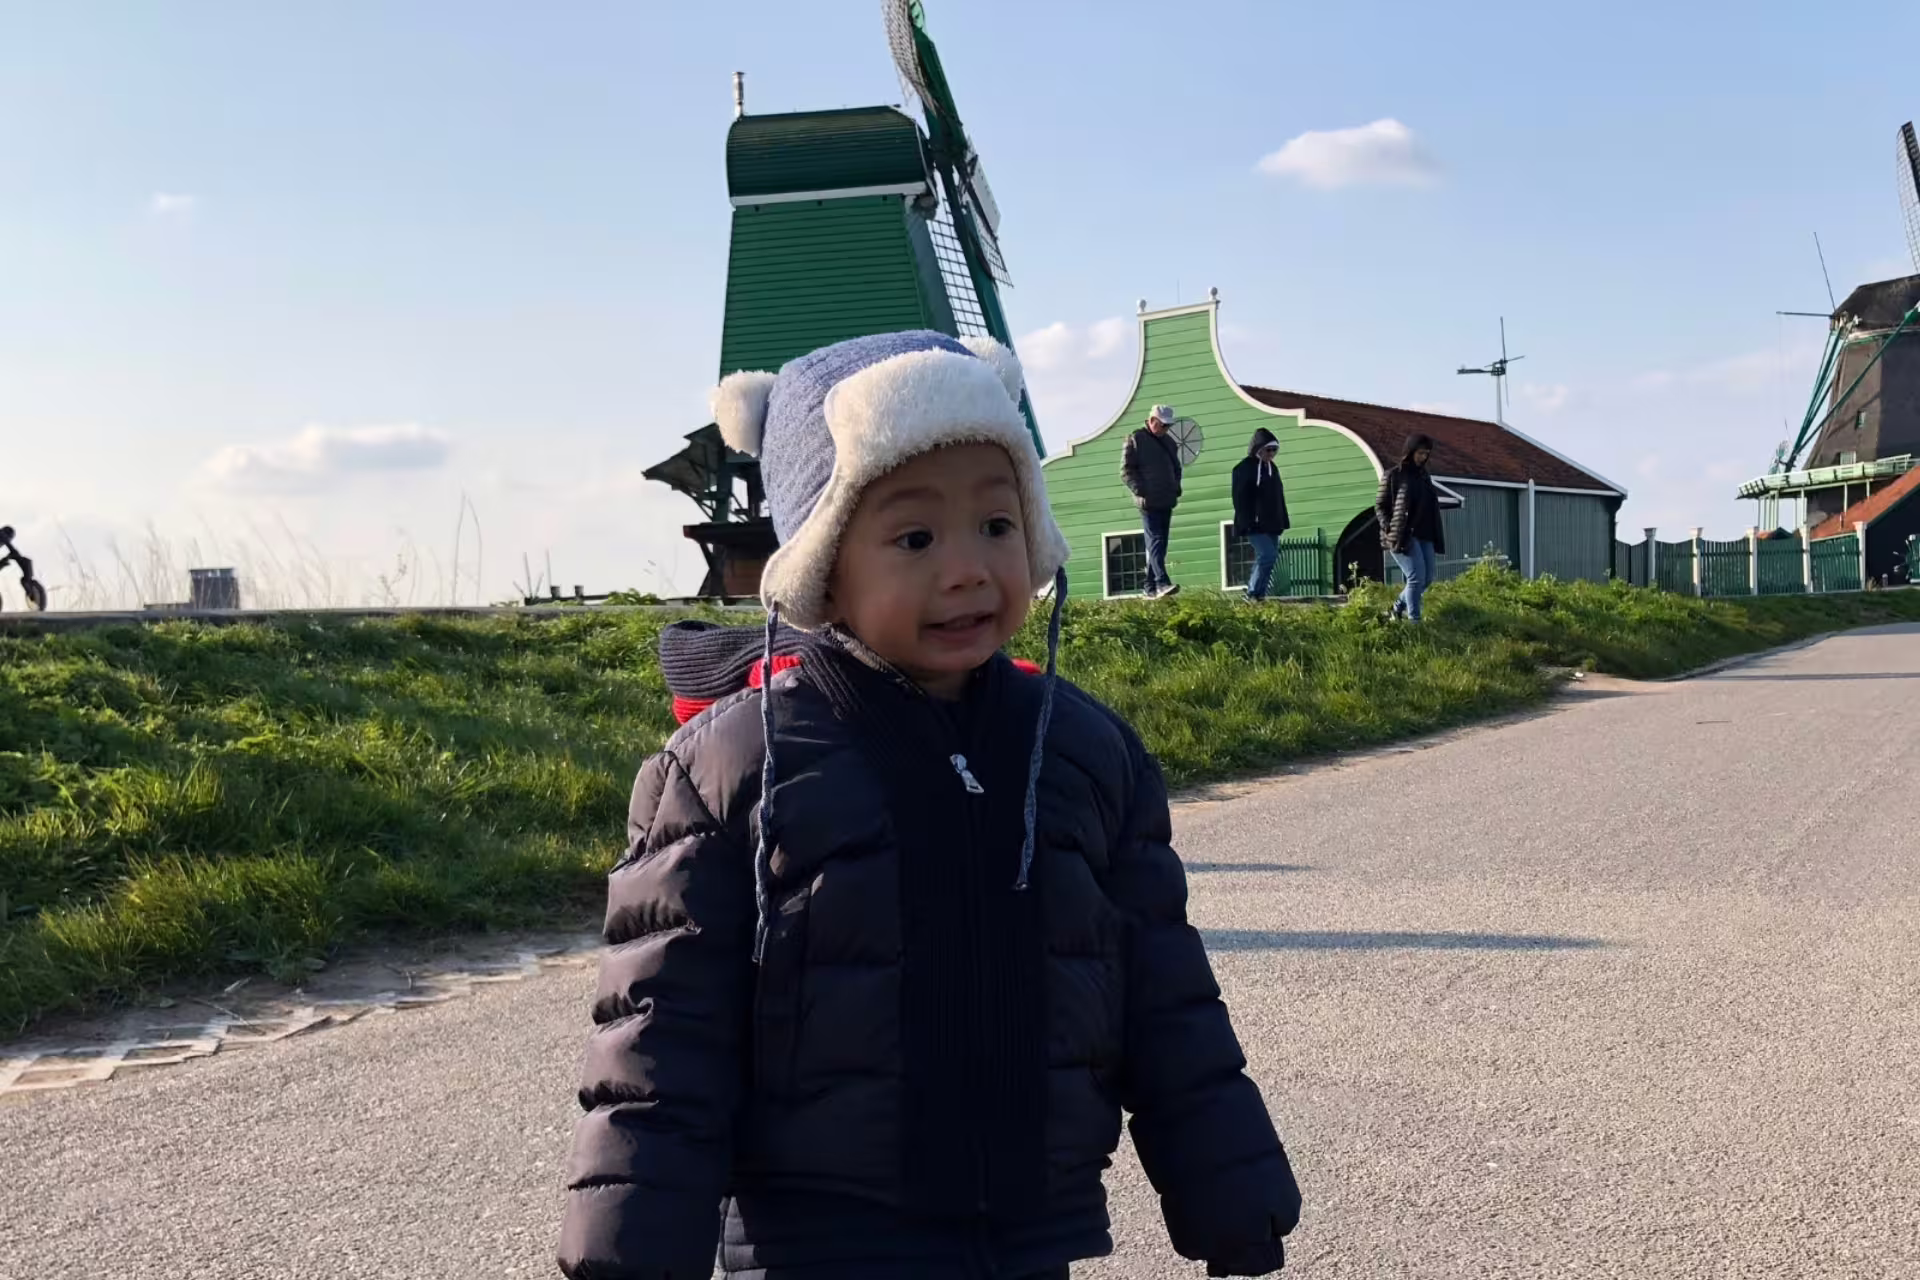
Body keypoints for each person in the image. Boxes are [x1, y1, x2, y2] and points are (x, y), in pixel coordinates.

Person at [559, 330, 1301, 1280]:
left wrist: (1227, 1187)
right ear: (822, 567)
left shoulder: (1080, 750)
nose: (966, 568)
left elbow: (1164, 992)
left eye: (997, 526)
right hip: (818, 1245)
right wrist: (633, 1247)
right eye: (915, 537)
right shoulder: (734, 767)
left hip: (1029, 1233)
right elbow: (665, 1030)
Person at [1376, 432, 1446, 622]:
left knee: (1427, 579)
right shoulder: (1393, 475)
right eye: (1420, 453)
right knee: (1415, 578)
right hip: (1403, 535)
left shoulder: (1424, 477)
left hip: (1425, 533)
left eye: (1426, 454)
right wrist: (1389, 527)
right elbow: (1380, 506)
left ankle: (1396, 608)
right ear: (1410, 451)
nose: (1423, 457)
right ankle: (1414, 622)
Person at [1120, 404, 1183, 598]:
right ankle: (1162, 582)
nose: (1165, 429)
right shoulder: (1136, 439)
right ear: (1152, 420)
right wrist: (1142, 491)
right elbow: (1126, 471)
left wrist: (1175, 488)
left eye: (1168, 426)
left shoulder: (1170, 443)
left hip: (1166, 499)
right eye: (1163, 425)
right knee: (1155, 541)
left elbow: (1176, 468)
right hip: (1149, 502)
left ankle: (1149, 588)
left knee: (1159, 544)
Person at [1230, 429, 1291, 602]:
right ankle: (1252, 592)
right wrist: (1246, 521)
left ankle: (1259, 595)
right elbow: (1239, 497)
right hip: (1254, 523)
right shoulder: (1244, 468)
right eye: (1268, 449)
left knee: (1269, 558)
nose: (1271, 453)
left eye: (1274, 450)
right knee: (1267, 555)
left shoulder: (1272, 468)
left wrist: (1282, 521)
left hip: (1272, 523)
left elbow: (1279, 497)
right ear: (1258, 449)